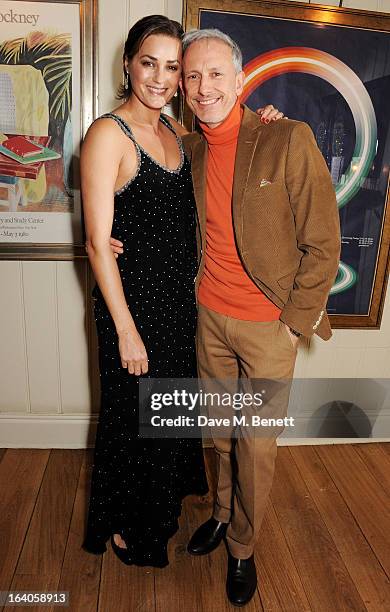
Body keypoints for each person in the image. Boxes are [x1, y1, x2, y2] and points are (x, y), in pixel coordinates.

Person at [81, 15, 281, 569]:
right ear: (128, 63)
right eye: (150, 63)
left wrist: (263, 122)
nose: (162, 78)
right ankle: (129, 528)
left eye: (174, 67)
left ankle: (160, 510)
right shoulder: (106, 134)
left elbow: (226, 154)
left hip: (178, 305)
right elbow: (99, 245)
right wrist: (124, 330)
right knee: (132, 420)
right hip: (131, 310)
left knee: (165, 416)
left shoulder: (176, 133)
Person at [177, 28, 341, 607]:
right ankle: (222, 514)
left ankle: (243, 548)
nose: (203, 87)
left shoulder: (286, 139)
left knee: (256, 446)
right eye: (192, 76)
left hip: (269, 326)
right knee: (217, 434)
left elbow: (324, 242)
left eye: (216, 73)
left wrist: (293, 323)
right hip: (210, 318)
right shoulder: (189, 147)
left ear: (240, 78)